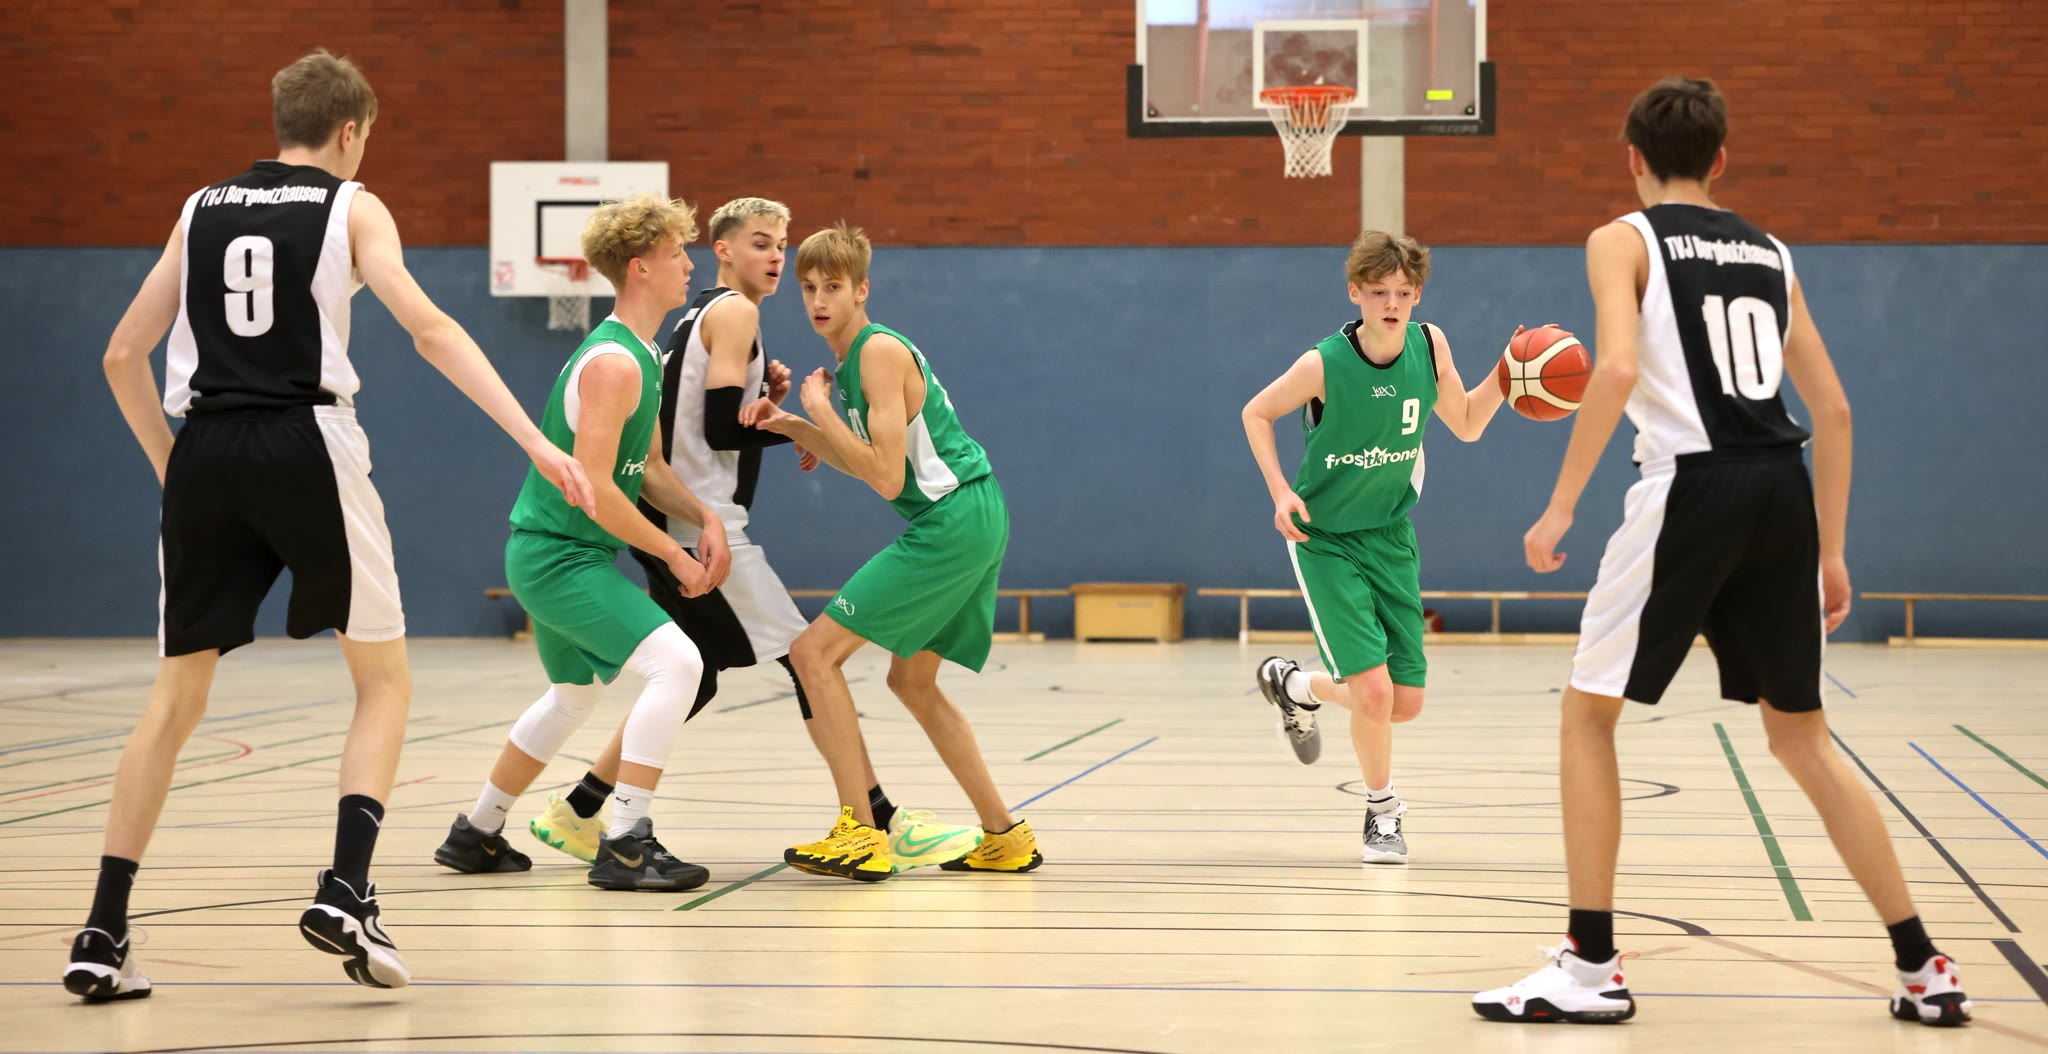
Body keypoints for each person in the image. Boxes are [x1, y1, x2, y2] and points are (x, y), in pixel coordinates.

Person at [66, 48, 594, 1000]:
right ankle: (348, 888)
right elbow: (430, 328)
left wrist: (173, 468)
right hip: (307, 441)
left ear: (283, 122)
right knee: (382, 679)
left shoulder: (198, 207)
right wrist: (533, 439)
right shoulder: (353, 206)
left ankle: (102, 931)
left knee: (173, 702)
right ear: (351, 132)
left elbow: (120, 354)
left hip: (206, 448)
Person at [1472, 76, 1971, 1028]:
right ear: (1722, 161)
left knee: (1588, 714)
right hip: (1783, 491)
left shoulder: (1621, 239)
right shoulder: (1772, 252)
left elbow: (1616, 367)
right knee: (1803, 739)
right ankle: (1925, 966)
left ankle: (1590, 967)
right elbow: (1834, 409)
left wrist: (1561, 505)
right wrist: (1832, 551)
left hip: (1691, 487)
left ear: (1633, 158)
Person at [430, 193, 731, 894]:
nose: (689, 264)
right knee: (680, 664)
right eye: (676, 253)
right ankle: (625, 843)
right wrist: (673, 555)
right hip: (557, 556)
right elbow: (595, 488)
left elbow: (647, 468)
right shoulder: (613, 365)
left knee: (573, 696)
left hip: (568, 555)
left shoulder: (644, 356)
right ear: (640, 268)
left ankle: (476, 832)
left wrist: (703, 517)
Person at [743, 222, 1041, 881]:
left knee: (812, 654)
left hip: (951, 521)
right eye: (808, 288)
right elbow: (876, 463)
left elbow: (883, 477)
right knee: (911, 682)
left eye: (833, 287)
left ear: (862, 290)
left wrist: (819, 411)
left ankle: (860, 831)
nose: (819, 300)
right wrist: (795, 425)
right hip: (972, 512)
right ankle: (1004, 834)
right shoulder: (857, 361)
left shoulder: (875, 352)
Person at [1240, 229, 1509, 865]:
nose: (1392, 303)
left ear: (1417, 296)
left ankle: (1295, 685)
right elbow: (1256, 412)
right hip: (1325, 540)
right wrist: (1280, 492)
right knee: (1375, 696)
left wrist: (1509, 373)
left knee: (1402, 704)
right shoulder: (1323, 364)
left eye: (1404, 292)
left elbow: (1467, 424)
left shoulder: (1429, 344)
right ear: (1355, 292)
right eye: (1380, 291)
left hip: (1390, 536)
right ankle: (1382, 814)